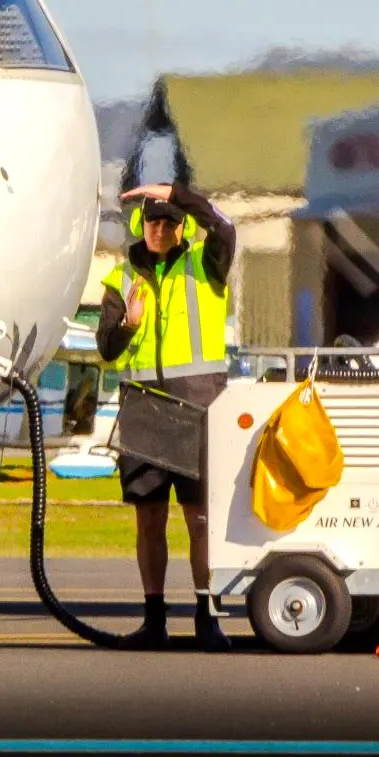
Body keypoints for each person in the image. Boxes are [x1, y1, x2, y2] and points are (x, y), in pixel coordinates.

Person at [98, 181, 235, 652]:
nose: (161, 229)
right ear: (143, 226)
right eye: (154, 221)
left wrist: (178, 191)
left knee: (200, 518)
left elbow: (226, 226)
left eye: (171, 222)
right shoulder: (120, 279)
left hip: (197, 404)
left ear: (182, 228)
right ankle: (153, 618)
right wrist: (129, 323)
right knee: (149, 519)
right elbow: (106, 349)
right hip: (143, 407)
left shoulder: (205, 264)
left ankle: (207, 614)